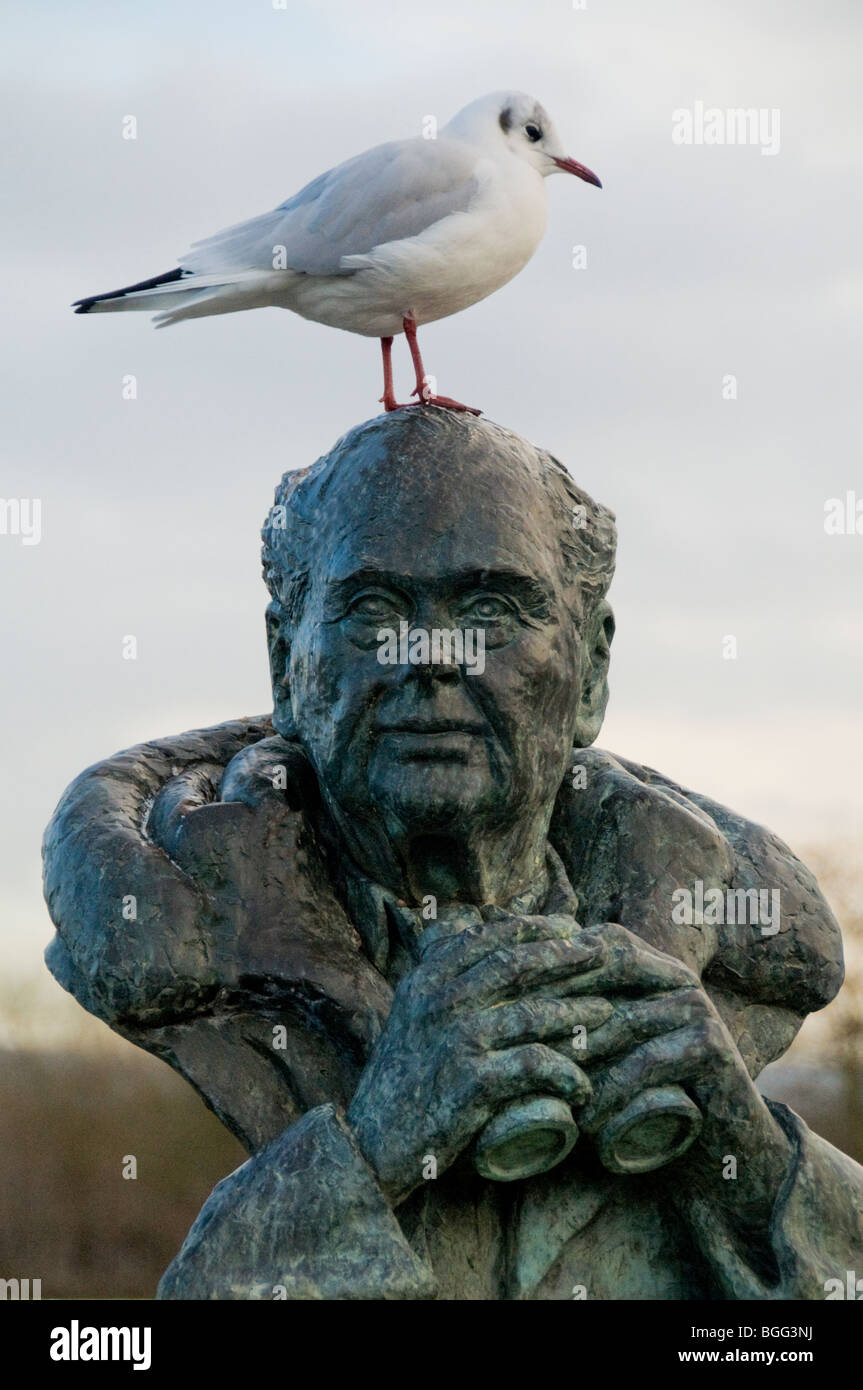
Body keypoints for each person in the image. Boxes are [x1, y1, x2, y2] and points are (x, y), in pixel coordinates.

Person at [43, 409, 863, 1299]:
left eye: (489, 610)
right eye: (373, 612)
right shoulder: (195, 956)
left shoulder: (712, 956)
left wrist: (743, 1159)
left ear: (589, 672)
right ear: (287, 667)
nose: (431, 658)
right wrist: (376, 1148)